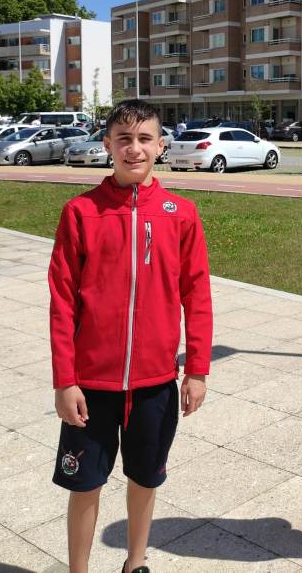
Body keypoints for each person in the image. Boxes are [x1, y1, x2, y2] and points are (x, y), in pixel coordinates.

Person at [48, 99, 213, 573]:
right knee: (85, 486)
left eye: (144, 139)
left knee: (145, 479)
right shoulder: (81, 212)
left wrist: (197, 370)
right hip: (92, 388)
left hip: (155, 385)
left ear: (161, 147)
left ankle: (135, 562)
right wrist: (65, 380)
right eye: (124, 139)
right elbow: (62, 303)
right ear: (107, 145)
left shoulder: (179, 213)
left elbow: (197, 296)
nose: (134, 149)